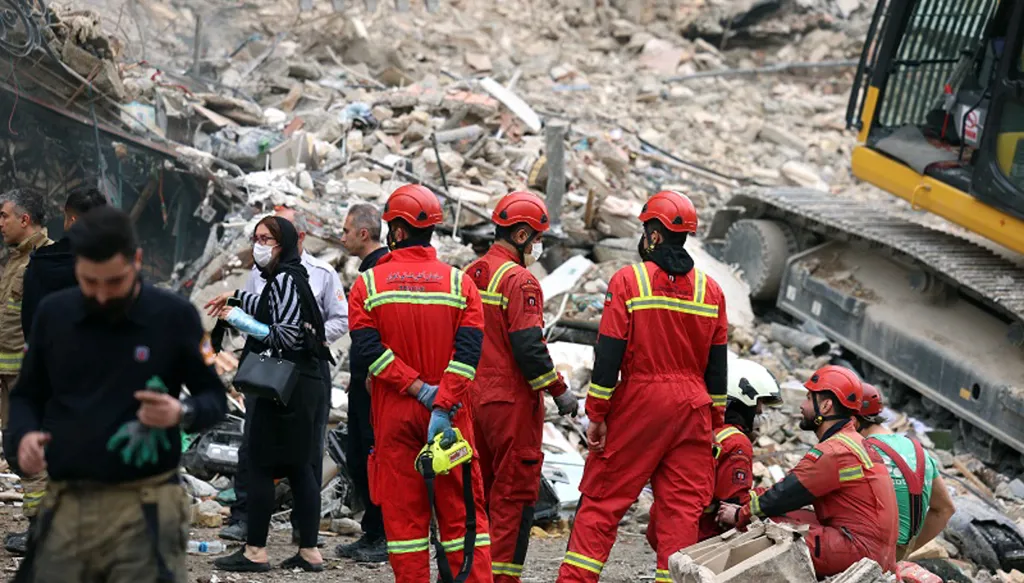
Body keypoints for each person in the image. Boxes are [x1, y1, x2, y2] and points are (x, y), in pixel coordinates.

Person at [2, 205, 227, 583]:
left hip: (147, 501)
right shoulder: (55, 315)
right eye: (90, 282)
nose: (103, 295)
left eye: (115, 282)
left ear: (136, 261)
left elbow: (214, 399)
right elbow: (26, 396)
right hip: (69, 499)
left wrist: (181, 411)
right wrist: (23, 436)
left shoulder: (173, 317)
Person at [558, 190, 729, 583]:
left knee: (603, 501)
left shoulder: (629, 281)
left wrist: (597, 414)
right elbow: (718, 369)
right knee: (681, 512)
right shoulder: (711, 291)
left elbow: (608, 354)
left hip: (641, 401)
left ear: (653, 234)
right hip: (694, 409)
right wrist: (714, 422)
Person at [347, 184, 492, 582]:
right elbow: (468, 356)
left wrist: (415, 388)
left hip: (395, 414)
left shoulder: (368, 285)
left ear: (396, 231)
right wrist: (441, 403)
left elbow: (369, 352)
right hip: (450, 415)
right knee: (462, 517)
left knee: (405, 525)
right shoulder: (460, 284)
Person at [215, 207, 348, 546]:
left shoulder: (301, 275)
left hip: (296, 370)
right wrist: (236, 299)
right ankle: (258, 526)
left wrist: (241, 319)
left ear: (291, 239)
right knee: (260, 449)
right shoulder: (271, 273)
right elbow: (264, 305)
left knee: (296, 455)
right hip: (269, 367)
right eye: (256, 238)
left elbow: (288, 331)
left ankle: (287, 538)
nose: (259, 246)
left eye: (267, 239)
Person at [464, 191, 578, 582]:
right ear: (522, 235)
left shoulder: (471, 273)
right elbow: (529, 347)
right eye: (537, 238)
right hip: (509, 404)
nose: (538, 247)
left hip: (471, 398)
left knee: (475, 495)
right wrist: (560, 391)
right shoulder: (520, 280)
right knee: (512, 497)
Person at [717, 365, 899, 578]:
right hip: (878, 552)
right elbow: (791, 486)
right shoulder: (853, 442)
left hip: (857, 550)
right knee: (796, 515)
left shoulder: (834, 451)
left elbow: (785, 494)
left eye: (808, 398)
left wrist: (739, 515)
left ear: (826, 406)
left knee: (766, 527)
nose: (802, 406)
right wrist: (753, 498)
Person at [334, 203, 389, 563]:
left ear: (363, 234)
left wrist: (372, 374)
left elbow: (382, 332)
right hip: (364, 384)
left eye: (346, 231)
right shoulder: (371, 269)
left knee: (372, 458)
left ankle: (382, 536)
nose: (342, 237)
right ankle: (372, 531)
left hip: (377, 386)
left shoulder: (381, 272)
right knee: (358, 458)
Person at [0, 188, 52, 554]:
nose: (0, 223)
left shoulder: (44, 261)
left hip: (28, 378)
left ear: (24, 219)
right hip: (9, 378)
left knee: (29, 450)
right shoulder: (15, 260)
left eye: (4, 216)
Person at [858, 383, 955, 560]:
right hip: (889, 555)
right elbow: (945, 509)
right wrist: (904, 552)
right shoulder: (919, 451)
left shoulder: (857, 450)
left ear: (852, 419)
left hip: (858, 552)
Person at [695, 358, 782, 541]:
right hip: (703, 535)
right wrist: (770, 494)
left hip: (675, 522)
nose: (760, 411)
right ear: (744, 399)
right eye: (759, 402)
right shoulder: (737, 443)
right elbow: (733, 502)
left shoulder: (708, 427)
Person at [21, 188, 108, 338]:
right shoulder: (109, 266)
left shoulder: (40, 260)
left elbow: (28, 321)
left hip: (49, 348)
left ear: (71, 220)